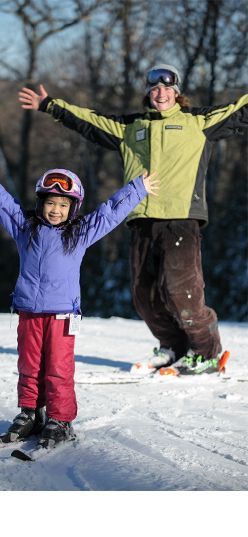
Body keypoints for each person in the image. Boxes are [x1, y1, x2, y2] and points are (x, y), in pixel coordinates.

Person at [18, 64, 247, 375]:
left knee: (182, 290)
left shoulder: (197, 122)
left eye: (167, 89)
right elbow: (90, 121)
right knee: (144, 295)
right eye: (154, 89)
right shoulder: (130, 128)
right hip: (140, 220)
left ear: (177, 93)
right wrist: (50, 105)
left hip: (180, 220)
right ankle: (173, 346)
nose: (160, 94)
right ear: (148, 93)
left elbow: (239, 110)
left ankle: (206, 351)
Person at [0, 151, 156, 447]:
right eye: (50, 203)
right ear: (40, 203)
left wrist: (136, 188)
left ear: (72, 208)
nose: (55, 210)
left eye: (62, 205)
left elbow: (109, 212)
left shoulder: (81, 233)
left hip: (62, 315)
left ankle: (60, 419)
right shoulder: (25, 229)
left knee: (58, 368)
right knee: (29, 365)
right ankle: (31, 413)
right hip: (28, 312)